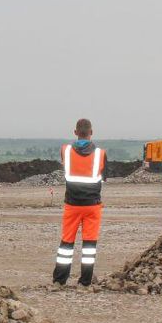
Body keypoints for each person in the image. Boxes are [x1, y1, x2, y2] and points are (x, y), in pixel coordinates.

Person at [54, 118, 106, 286]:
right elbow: (103, 175)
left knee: (66, 243)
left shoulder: (65, 151)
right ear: (91, 132)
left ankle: (59, 280)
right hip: (92, 206)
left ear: (75, 132)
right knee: (89, 245)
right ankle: (85, 281)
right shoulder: (100, 154)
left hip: (72, 205)